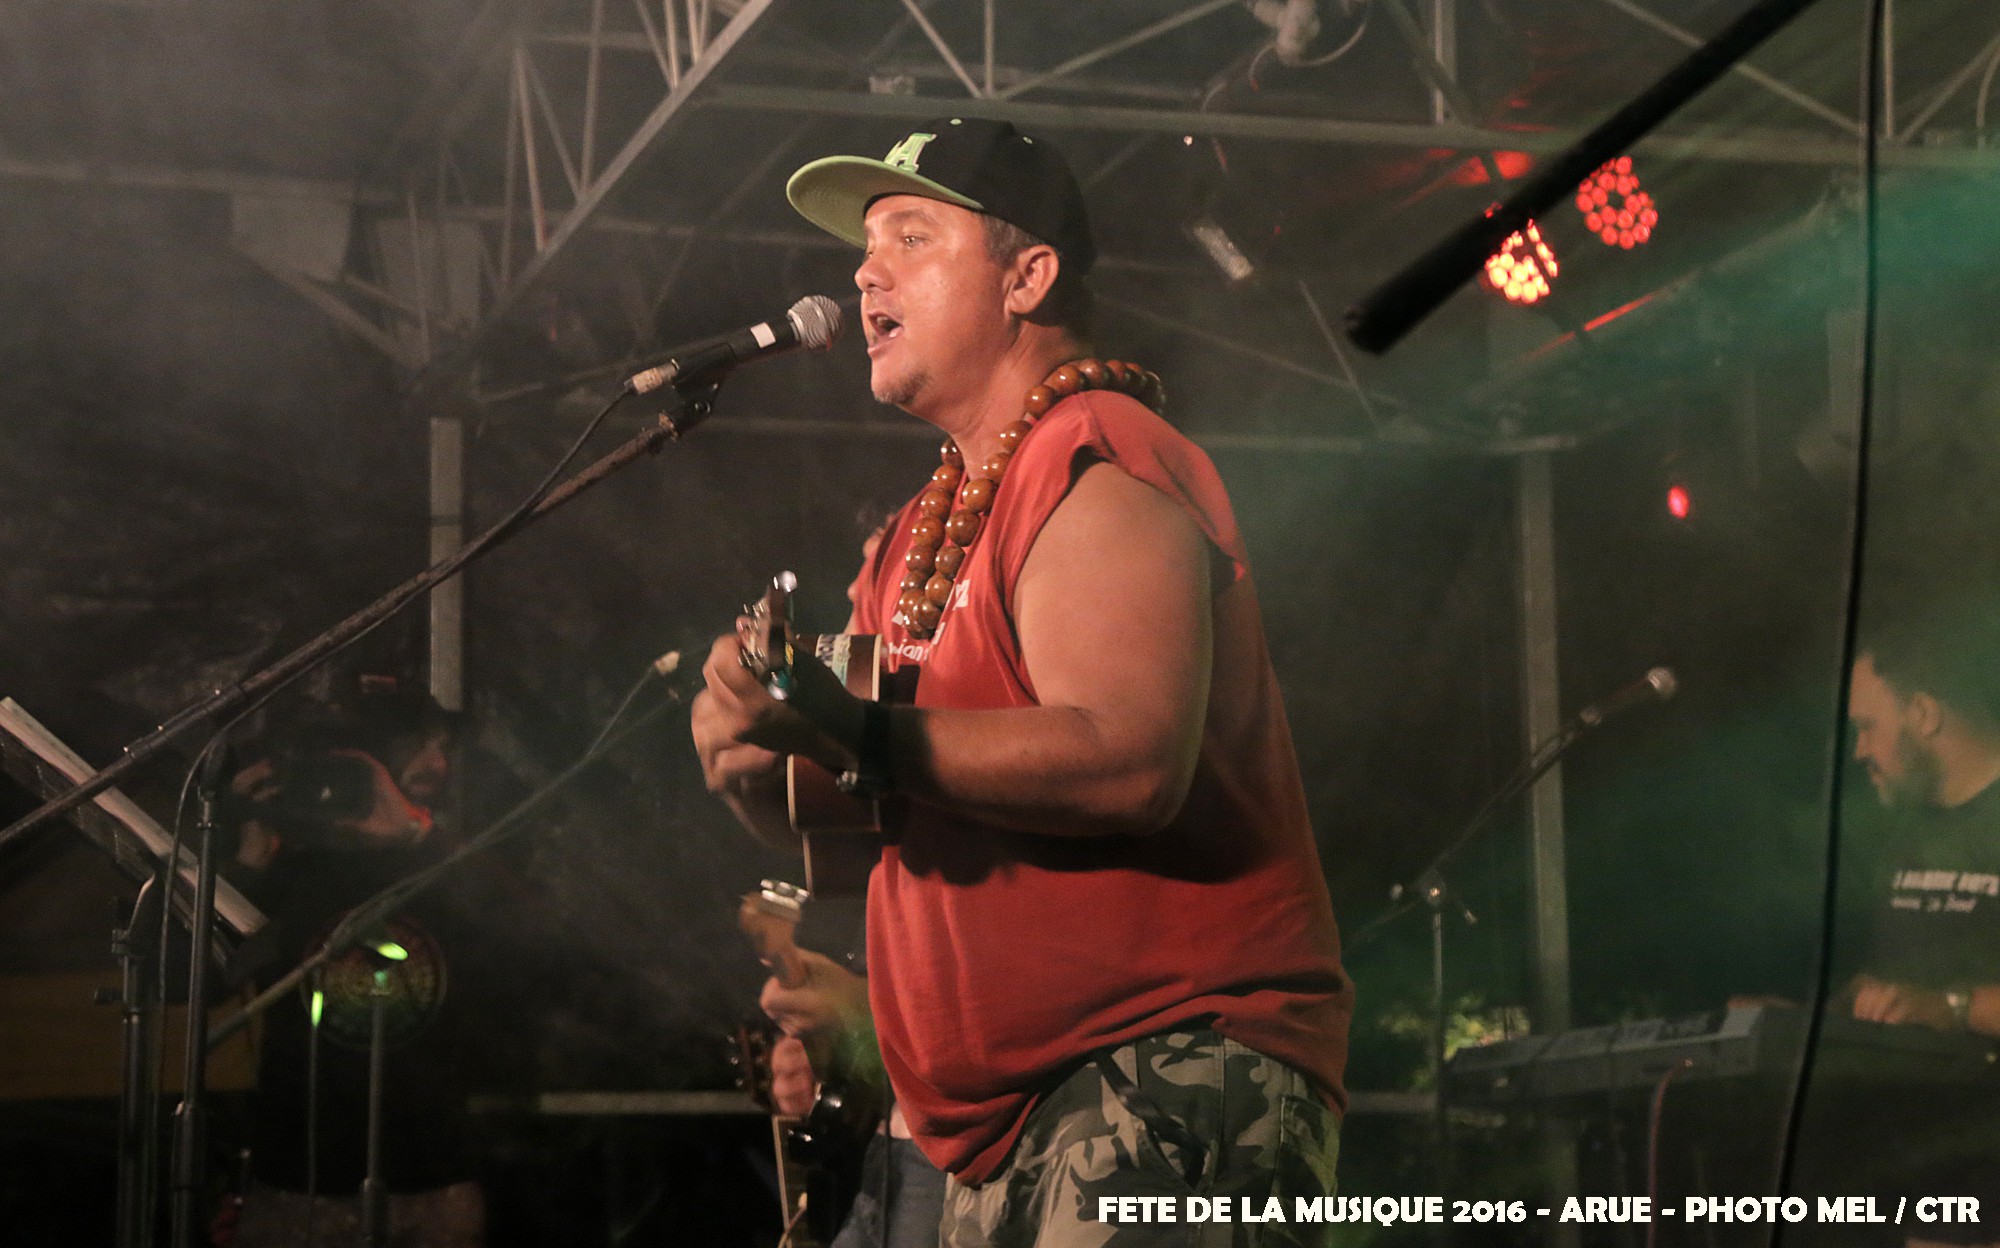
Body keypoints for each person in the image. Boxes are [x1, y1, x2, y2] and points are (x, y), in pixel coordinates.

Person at [693, 116, 1353, 1246]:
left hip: (1158, 1067)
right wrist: (756, 762)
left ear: (1027, 276)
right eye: (866, 248)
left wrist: (842, 727)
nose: (865, 274)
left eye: (911, 236)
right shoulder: (918, 532)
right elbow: (863, 821)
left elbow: (1127, 761)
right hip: (995, 1121)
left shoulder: (1097, 453)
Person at [222, 678, 491, 1248]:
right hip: (299, 1185)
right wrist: (250, 857)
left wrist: (416, 834)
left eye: (444, 747)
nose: (437, 763)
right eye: (417, 745)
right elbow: (193, 977)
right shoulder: (292, 872)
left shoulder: (444, 864)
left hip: (434, 1181)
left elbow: (528, 933)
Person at [1824, 609, 2000, 1247]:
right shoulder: (1903, 837)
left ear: (1924, 713)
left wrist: (1946, 1008)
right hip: (1929, 1184)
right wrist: (1817, 1020)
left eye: (1867, 727)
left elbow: (1934, 999)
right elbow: (1902, 985)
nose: (1859, 751)